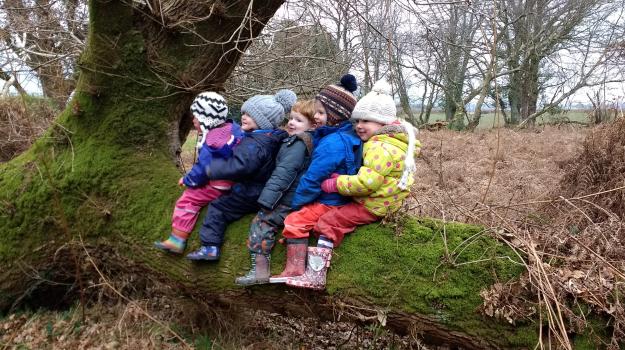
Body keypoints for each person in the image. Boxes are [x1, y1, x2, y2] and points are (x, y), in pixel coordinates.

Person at [286, 79, 421, 290]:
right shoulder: (388, 142)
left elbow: (366, 182)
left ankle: (316, 274)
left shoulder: (381, 148)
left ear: (384, 123)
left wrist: (335, 183)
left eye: (366, 121)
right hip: (384, 201)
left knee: (328, 223)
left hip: (373, 204)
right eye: (357, 120)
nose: (359, 126)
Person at [185, 89, 297, 261]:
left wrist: (212, 170)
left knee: (218, 207)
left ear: (263, 121)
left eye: (250, 115)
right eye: (244, 112)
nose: (244, 117)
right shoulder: (272, 138)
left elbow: (240, 166)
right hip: (262, 189)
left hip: (250, 190)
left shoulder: (254, 144)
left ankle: (210, 247)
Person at [270, 74, 361, 283]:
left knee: (295, 221)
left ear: (337, 115)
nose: (316, 117)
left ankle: (295, 270)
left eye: (321, 112)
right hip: (338, 197)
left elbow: (313, 178)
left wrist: (296, 204)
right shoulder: (344, 135)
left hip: (332, 201)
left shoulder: (332, 143)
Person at [235, 100, 317, 285]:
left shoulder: (299, 142)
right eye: (291, 118)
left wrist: (268, 200)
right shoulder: (300, 140)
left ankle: (260, 270)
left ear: (312, 125)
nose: (291, 123)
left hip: (286, 197)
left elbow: (285, 172)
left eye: (298, 120)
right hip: (293, 195)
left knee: (262, 222)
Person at [154, 92, 243, 254]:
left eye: (195, 117)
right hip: (234, 181)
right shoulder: (234, 130)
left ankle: (177, 239)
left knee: (188, 201)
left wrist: (188, 180)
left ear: (206, 118)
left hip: (216, 183)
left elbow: (202, 169)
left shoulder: (211, 140)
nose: (193, 120)